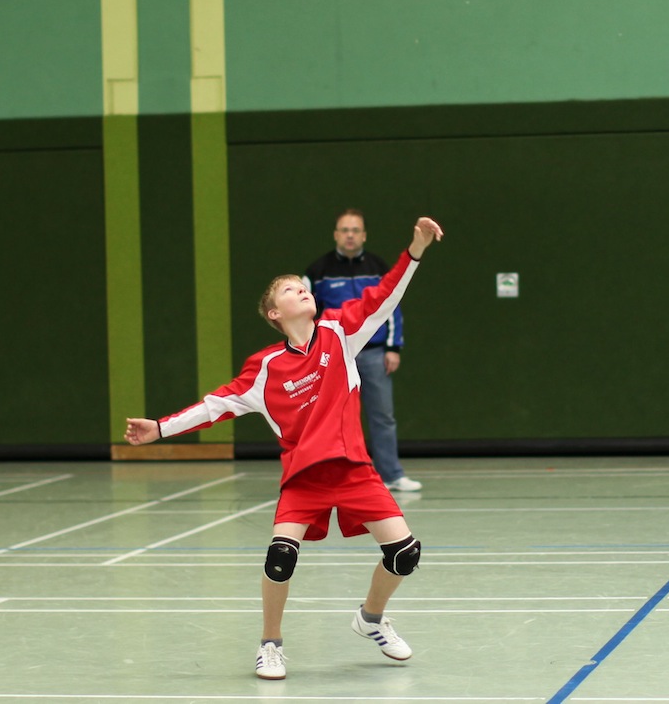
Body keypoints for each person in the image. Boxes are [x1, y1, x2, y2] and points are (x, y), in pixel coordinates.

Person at [124, 216, 444, 681]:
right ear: (274, 313)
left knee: (405, 554)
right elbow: (214, 406)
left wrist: (414, 250)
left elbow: (384, 297)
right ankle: (270, 644)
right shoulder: (265, 367)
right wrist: (159, 428)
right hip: (304, 478)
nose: (301, 291)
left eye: (303, 287)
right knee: (281, 556)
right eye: (290, 291)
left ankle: (371, 619)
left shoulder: (340, 334)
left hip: (354, 470)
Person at [302, 209, 421, 493]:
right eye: (345, 230)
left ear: (364, 235)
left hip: (374, 354)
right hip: (335, 356)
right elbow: (305, 314)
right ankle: (334, 477)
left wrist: (393, 347)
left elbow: (392, 306)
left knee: (382, 415)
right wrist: (314, 351)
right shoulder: (317, 272)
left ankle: (391, 474)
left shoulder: (378, 267)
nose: (350, 235)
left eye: (355, 230)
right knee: (334, 418)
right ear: (336, 235)